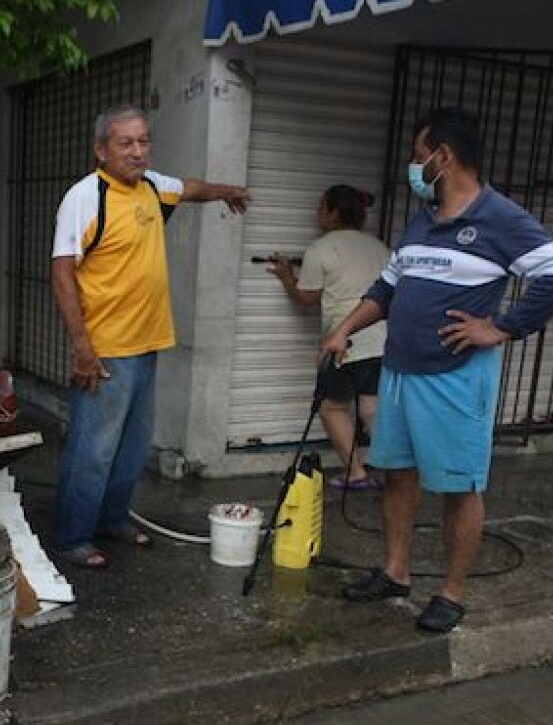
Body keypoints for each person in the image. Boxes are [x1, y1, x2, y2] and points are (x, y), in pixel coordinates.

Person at [321, 107, 553, 633]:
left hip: (455, 377)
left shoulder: (501, 218)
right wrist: (343, 329)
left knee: (459, 486)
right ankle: (395, 571)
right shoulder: (422, 220)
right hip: (399, 371)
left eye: (419, 157)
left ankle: (452, 592)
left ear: (443, 157)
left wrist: (501, 328)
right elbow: (386, 289)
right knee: (397, 474)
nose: (414, 168)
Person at [51, 104, 250, 568]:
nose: (138, 152)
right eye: (126, 143)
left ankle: (112, 519)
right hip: (105, 350)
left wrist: (226, 192)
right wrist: (82, 347)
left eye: (144, 141)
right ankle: (71, 536)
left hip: (147, 344)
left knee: (132, 448)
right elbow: (62, 274)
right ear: (101, 149)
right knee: (92, 450)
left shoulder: (154, 188)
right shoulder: (85, 196)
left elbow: (190, 188)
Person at [267, 185, 392, 490]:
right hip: (383, 341)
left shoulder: (321, 249)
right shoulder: (380, 248)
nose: (318, 213)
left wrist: (286, 276)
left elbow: (308, 298)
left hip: (345, 345)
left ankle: (356, 472)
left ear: (334, 212)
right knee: (372, 408)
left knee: (332, 408)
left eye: (321, 207)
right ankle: (395, 472)